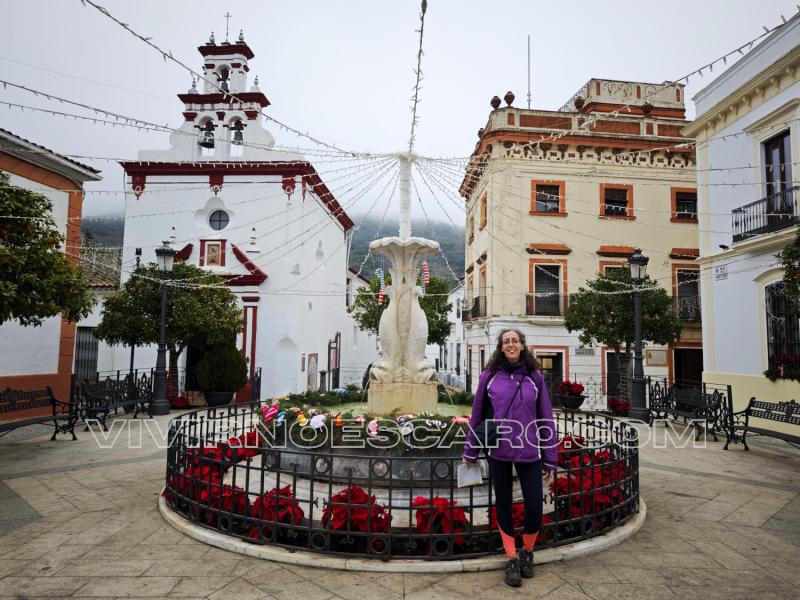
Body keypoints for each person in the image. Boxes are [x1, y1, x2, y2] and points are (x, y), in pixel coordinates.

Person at [462, 329, 557, 587]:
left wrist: (550, 457)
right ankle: (512, 557)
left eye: (515, 341)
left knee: (535, 505)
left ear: (523, 345)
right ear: (501, 347)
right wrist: (470, 451)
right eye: (507, 342)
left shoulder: (535, 378)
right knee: (502, 503)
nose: (511, 345)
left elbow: (546, 417)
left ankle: (527, 550)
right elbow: (477, 414)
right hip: (499, 451)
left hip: (529, 451)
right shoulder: (489, 377)